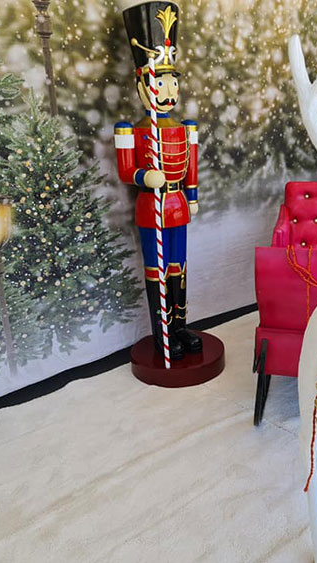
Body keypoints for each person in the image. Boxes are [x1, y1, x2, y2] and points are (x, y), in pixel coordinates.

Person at [114, 1, 202, 359]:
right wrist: (144, 175)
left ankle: (179, 327)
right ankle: (161, 334)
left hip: (178, 204)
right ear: (143, 83)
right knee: (158, 270)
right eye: (160, 81)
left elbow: (191, 166)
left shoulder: (185, 127)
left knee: (179, 266)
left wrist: (192, 196)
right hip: (152, 207)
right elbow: (125, 170)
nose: (168, 90)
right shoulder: (130, 129)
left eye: (172, 81)